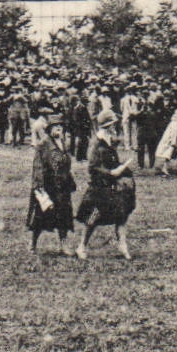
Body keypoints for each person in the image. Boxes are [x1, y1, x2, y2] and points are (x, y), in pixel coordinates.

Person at [75, 110, 135, 260]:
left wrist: (123, 169)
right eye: (113, 123)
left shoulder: (109, 140)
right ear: (108, 125)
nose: (115, 126)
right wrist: (111, 173)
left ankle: (122, 245)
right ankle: (82, 246)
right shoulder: (96, 142)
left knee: (121, 215)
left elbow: (112, 161)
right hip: (100, 186)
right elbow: (92, 167)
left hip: (113, 186)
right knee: (93, 217)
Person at [27, 114, 76, 254]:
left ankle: (63, 244)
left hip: (63, 186)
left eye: (60, 127)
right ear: (49, 129)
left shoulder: (63, 143)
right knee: (41, 216)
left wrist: (69, 179)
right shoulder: (43, 144)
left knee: (64, 216)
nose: (58, 130)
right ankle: (33, 243)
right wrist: (39, 186)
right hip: (49, 186)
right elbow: (37, 166)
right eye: (55, 127)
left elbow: (66, 164)